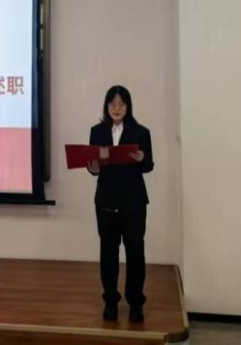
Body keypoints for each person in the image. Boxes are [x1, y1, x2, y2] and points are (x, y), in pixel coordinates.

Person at [87, 85, 154, 323]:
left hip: (134, 201)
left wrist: (142, 158)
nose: (116, 108)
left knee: (135, 252)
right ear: (106, 106)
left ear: (128, 106)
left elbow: (148, 166)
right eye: (112, 104)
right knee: (108, 252)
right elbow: (93, 167)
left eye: (121, 104)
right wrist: (93, 168)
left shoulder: (141, 132)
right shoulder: (97, 131)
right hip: (106, 201)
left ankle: (135, 303)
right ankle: (110, 301)